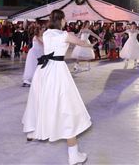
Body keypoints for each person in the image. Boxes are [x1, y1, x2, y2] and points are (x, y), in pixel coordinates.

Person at [22, 10, 93, 165]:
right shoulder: (64, 35)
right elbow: (81, 42)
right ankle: (73, 155)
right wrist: (90, 43)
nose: (65, 21)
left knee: (41, 100)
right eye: (64, 19)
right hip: (57, 71)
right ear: (60, 20)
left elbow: (40, 39)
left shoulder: (47, 33)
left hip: (43, 71)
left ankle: (34, 131)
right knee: (67, 107)